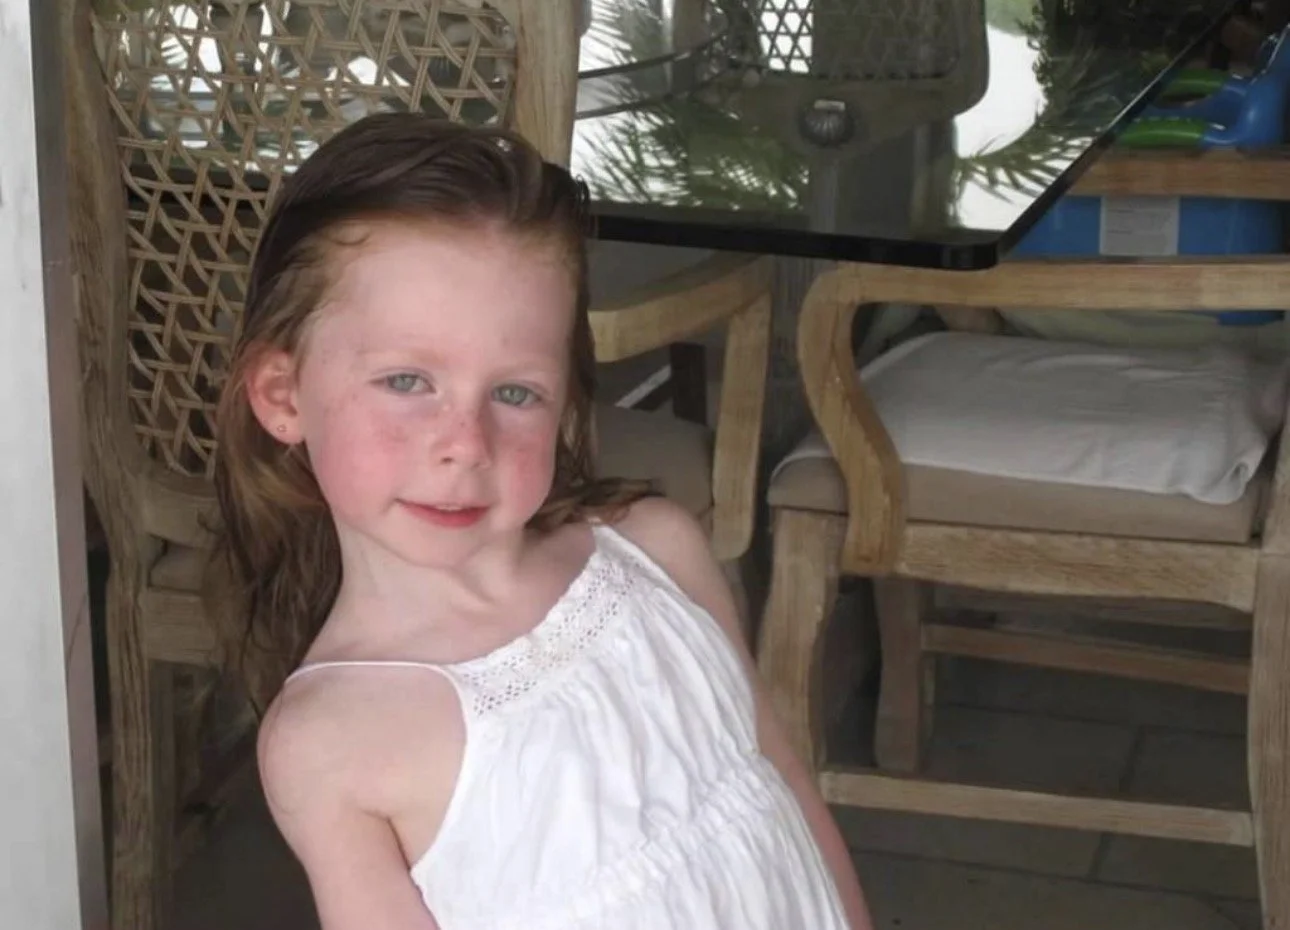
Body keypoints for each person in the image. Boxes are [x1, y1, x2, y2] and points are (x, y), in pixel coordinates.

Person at [210, 112, 872, 930]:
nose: (465, 444)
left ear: (562, 402)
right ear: (283, 397)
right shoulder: (331, 738)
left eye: (515, 393)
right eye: (408, 381)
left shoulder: (658, 548)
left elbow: (782, 780)